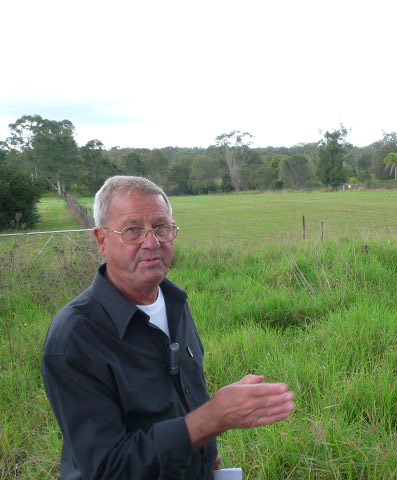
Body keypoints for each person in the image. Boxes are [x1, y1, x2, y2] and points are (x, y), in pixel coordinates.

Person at [42, 176, 295, 479]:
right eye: (132, 230)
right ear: (101, 240)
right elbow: (108, 469)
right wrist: (212, 419)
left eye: (162, 227)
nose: (152, 242)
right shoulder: (75, 339)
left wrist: (202, 451)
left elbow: (181, 399)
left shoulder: (175, 302)